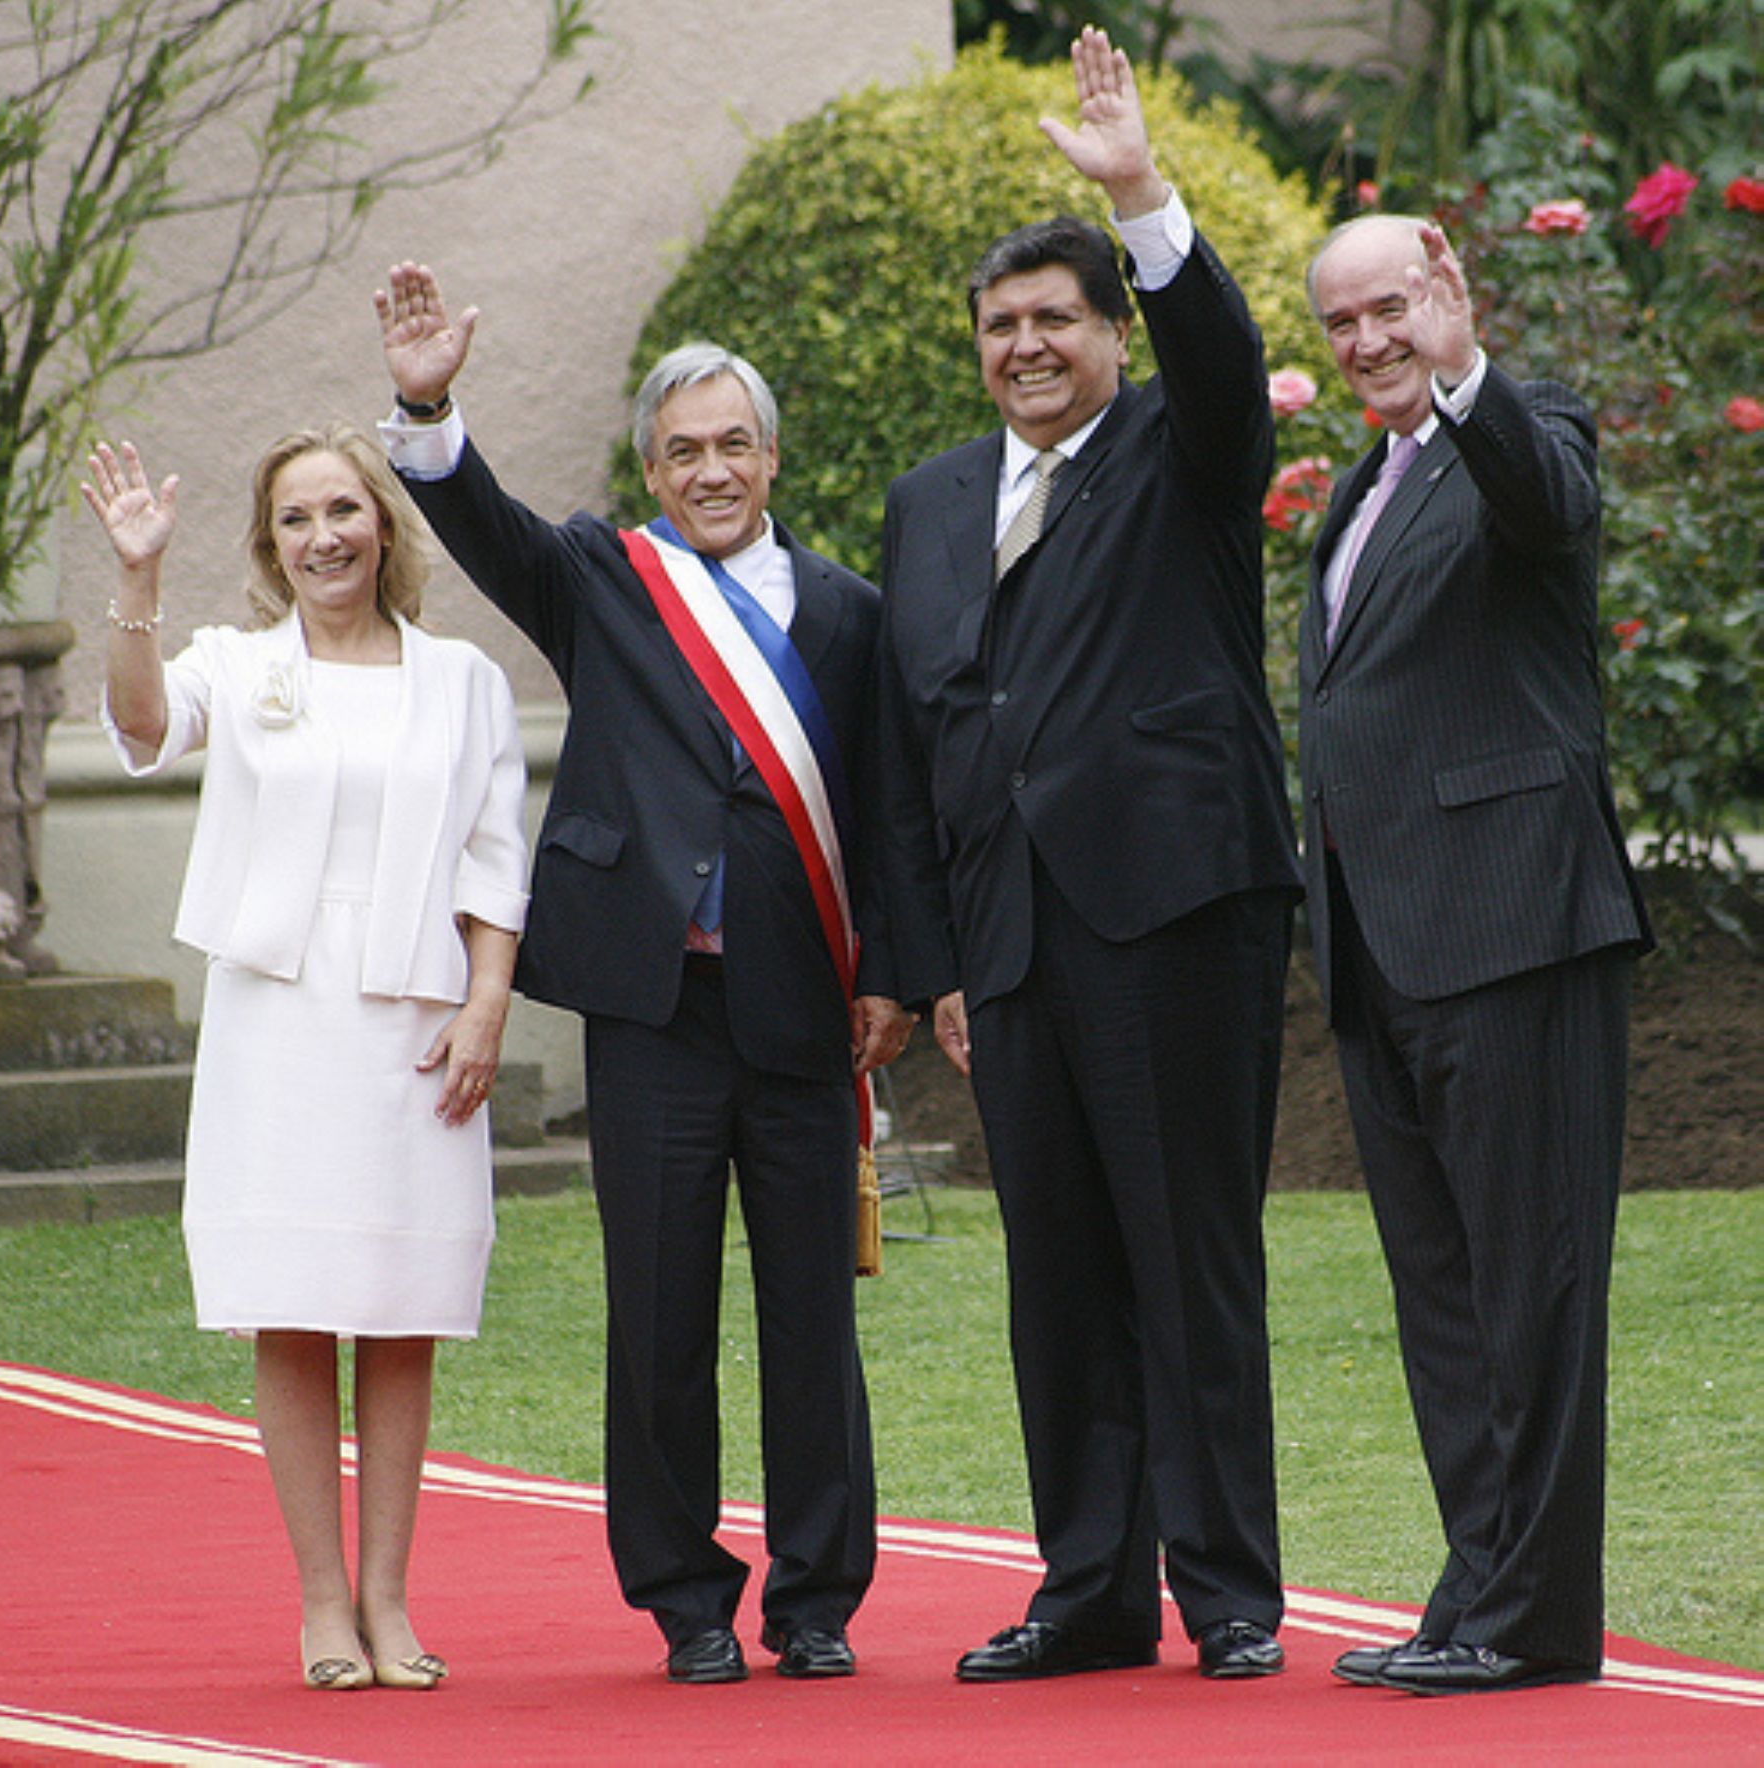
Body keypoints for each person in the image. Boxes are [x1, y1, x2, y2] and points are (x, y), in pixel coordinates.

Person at [372, 269, 913, 1684]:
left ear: (773, 456)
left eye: (736, 443)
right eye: (684, 450)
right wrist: (428, 405)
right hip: (651, 1008)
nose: (714, 469)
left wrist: (900, 976)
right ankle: (683, 1598)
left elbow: (891, 809)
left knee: (813, 1315)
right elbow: (480, 524)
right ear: (653, 469)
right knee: (661, 1312)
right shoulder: (605, 579)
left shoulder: (850, 612)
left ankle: (816, 1600)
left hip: (801, 1006)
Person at [876, 27, 1302, 1683]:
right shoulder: (927, 504)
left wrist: (1137, 194)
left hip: (1178, 910)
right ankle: (1091, 1588)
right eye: (1002, 326)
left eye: (1058, 317)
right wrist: (945, 957)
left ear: (1111, 332)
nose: (1027, 344)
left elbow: (1217, 350)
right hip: (1017, 945)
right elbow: (917, 749)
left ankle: (1230, 1588)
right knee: (1054, 1271)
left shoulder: (1185, 454)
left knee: (1187, 1254)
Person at [84, 424, 530, 1691]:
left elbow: (495, 857)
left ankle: (391, 1604)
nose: (324, 536)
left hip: (417, 1020)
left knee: (400, 1318)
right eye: (295, 519)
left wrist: (490, 998)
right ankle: (322, 1607)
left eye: (344, 510)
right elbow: (143, 722)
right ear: (270, 547)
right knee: (292, 1308)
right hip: (277, 1020)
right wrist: (136, 582)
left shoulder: (463, 681)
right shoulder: (236, 662)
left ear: (384, 524)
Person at [1299, 214, 1652, 1693]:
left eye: (1393, 308)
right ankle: (1477, 1588)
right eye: (1343, 325)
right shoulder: (1357, 493)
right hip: (1387, 954)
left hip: (1515, 932)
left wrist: (1466, 379)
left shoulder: (1524, 427)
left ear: (1448, 291)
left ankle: (1534, 1621)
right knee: (1444, 1298)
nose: (1370, 341)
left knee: (1534, 1286)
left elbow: (1542, 500)